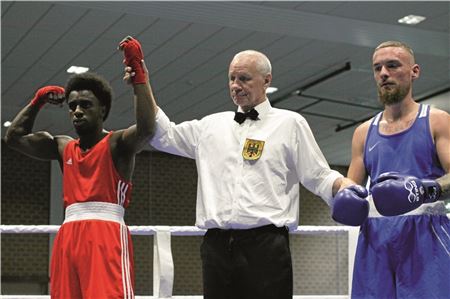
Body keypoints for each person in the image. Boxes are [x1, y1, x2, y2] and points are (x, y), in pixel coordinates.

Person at [142, 49, 359, 299]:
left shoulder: (290, 123)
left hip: (266, 247)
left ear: (267, 80)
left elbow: (318, 175)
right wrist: (142, 82)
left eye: (244, 78)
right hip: (217, 247)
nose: (236, 86)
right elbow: (164, 135)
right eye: (232, 79)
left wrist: (344, 186)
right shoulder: (210, 126)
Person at [5, 36, 157, 298]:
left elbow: (147, 128)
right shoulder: (63, 147)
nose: (76, 110)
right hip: (68, 236)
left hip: (106, 235)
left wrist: (139, 74)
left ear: (103, 110)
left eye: (85, 105)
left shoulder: (117, 144)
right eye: (73, 105)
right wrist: (37, 102)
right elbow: (14, 138)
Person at [337, 41, 450, 298]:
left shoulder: (436, 120)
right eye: (377, 68)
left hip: (426, 234)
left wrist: (425, 190)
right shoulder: (363, 132)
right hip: (375, 238)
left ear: (414, 71)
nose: (383, 73)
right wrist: (343, 197)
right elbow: (351, 187)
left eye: (392, 65)